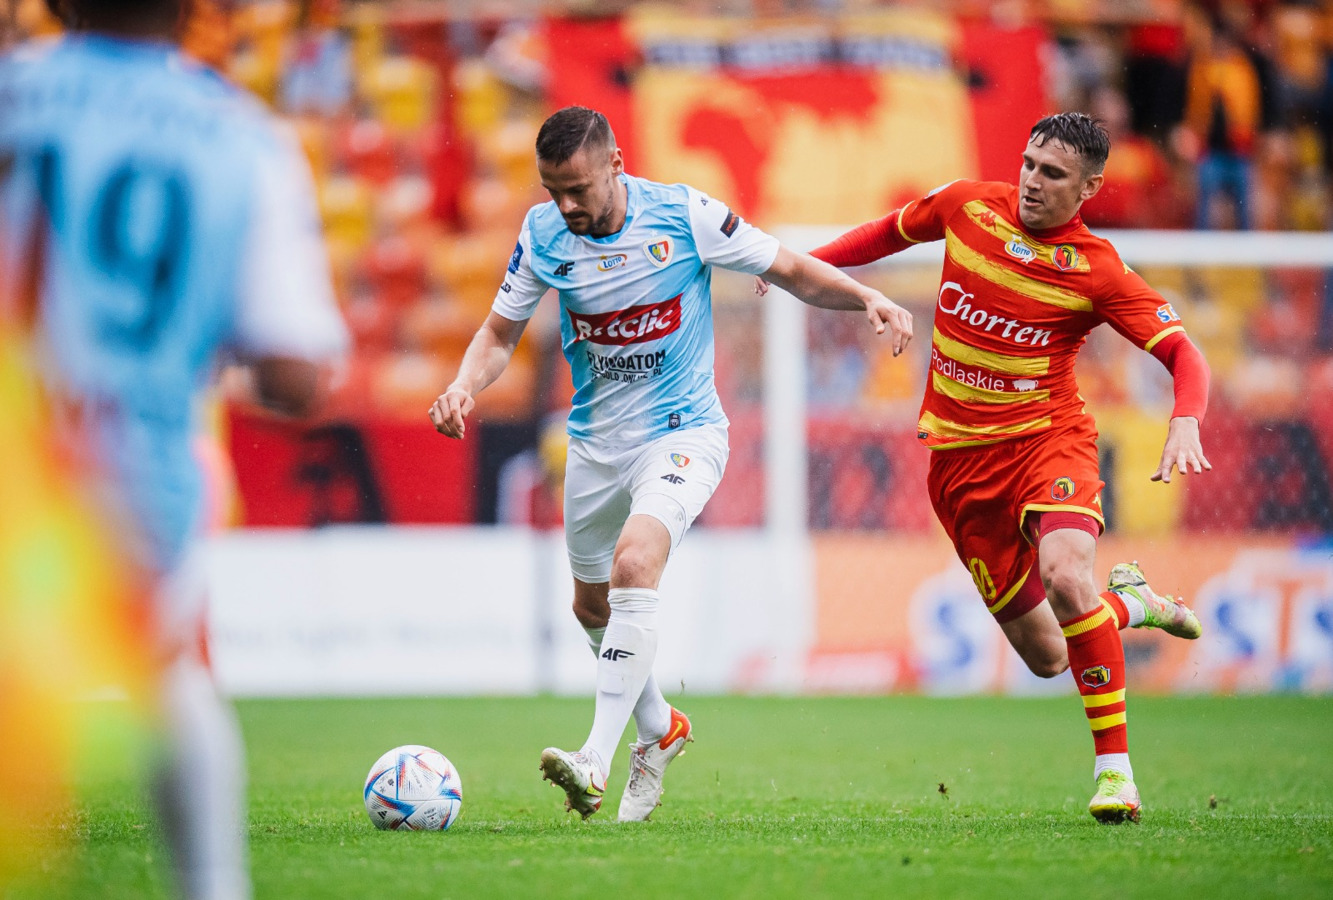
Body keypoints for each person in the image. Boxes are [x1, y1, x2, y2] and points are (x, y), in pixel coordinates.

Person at [429, 105, 913, 823]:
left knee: (634, 564)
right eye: (553, 191)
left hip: (683, 433)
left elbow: (788, 269)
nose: (567, 206)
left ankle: (595, 759)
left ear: (616, 165)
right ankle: (660, 728)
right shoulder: (541, 233)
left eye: (578, 189)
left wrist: (865, 295)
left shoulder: (684, 215)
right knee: (591, 607)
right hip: (595, 444)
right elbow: (500, 333)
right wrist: (465, 384)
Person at [0, 1, 349, 896]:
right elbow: (295, 375)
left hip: (17, 450)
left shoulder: (12, 94)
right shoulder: (242, 138)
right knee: (170, 674)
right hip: (132, 469)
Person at [803, 112, 1211, 824]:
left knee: (1066, 577)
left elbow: (1183, 352)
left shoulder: (1097, 270)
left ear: (1088, 188)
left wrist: (1185, 419)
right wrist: (801, 265)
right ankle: (1133, 605)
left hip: (1047, 442)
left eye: (1053, 174)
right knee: (1048, 656)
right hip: (961, 468)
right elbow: (887, 233)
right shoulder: (967, 206)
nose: (1032, 181)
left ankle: (1115, 774)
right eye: (1028, 164)